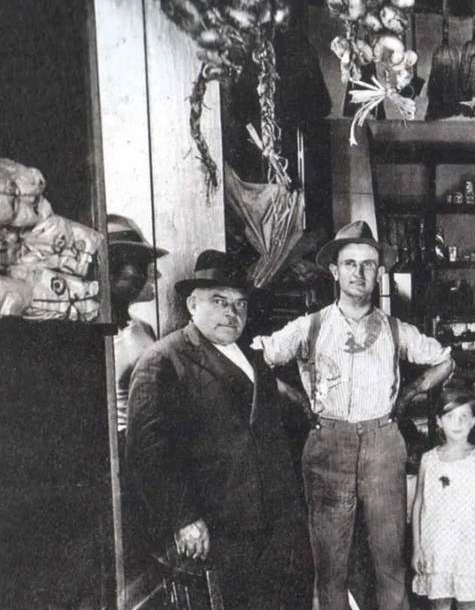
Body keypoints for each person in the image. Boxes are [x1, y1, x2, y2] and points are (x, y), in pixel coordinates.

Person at [253, 220, 454, 610]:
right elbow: (259, 359)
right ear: (334, 271)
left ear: (379, 273)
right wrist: (295, 398)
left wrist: (410, 391)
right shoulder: (310, 326)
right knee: (330, 565)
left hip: (383, 444)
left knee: (389, 560)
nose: (359, 273)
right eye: (350, 264)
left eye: (368, 265)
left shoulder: (396, 329)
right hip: (328, 445)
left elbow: (444, 360)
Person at [126, 249, 311, 610]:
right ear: (192, 304)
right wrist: (184, 519)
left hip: (272, 524)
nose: (232, 312)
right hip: (216, 528)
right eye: (219, 301)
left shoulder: (255, 357)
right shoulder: (164, 360)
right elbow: (148, 451)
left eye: (240, 304)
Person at [412, 387, 475, 610]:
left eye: (464, 417)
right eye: (450, 417)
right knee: (440, 603)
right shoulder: (429, 460)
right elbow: (419, 503)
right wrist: (417, 547)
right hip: (437, 547)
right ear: (439, 421)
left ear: (474, 421)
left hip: (470, 547)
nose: (457, 424)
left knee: (468, 603)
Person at [107, 214, 167, 449]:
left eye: (142, 263)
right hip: (119, 447)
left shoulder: (144, 329)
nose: (133, 272)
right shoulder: (96, 335)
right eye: (139, 264)